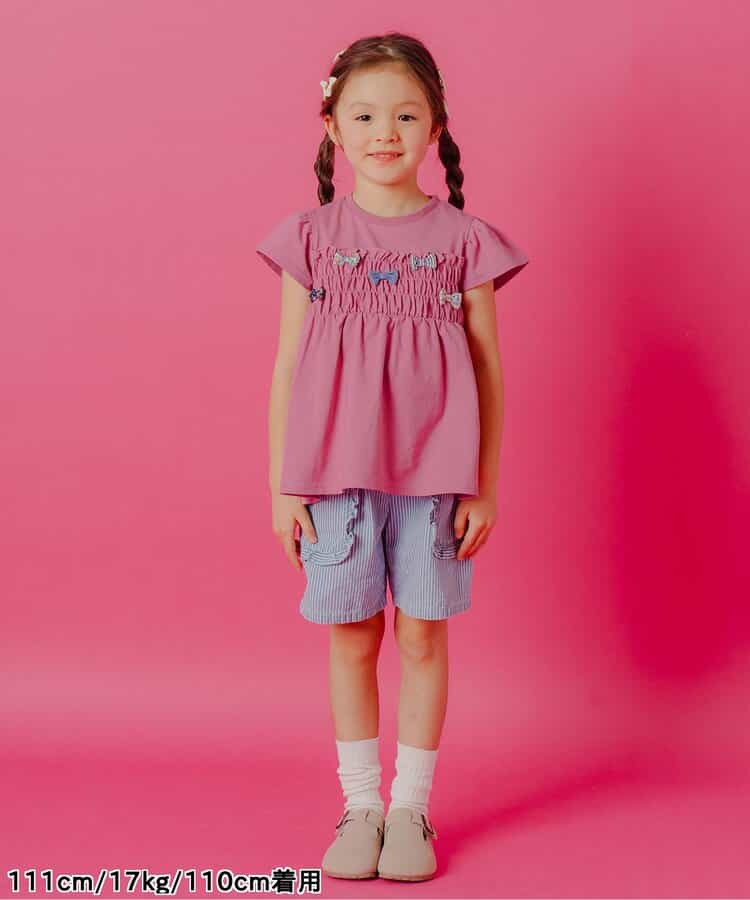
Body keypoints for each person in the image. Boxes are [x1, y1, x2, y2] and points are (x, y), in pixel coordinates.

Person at [256, 32, 529, 883]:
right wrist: (282, 486)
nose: (385, 133)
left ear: (436, 127)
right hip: (333, 477)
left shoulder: (464, 240)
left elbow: (488, 367)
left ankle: (411, 806)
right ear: (332, 125)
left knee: (420, 636)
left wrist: (484, 485)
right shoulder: (310, 237)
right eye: (365, 115)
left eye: (406, 116)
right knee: (351, 636)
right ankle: (362, 803)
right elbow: (288, 366)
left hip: (436, 480)